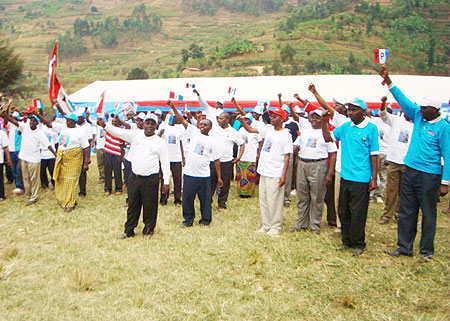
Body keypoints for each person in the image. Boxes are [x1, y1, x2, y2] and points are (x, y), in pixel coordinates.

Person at [380, 67, 449, 262]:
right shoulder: (419, 116)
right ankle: (404, 247)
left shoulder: (444, 128)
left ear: (434, 110)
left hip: (430, 175)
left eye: (425, 107)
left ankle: (426, 251)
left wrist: (445, 182)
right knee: (407, 211)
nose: (420, 109)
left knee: (428, 213)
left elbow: (448, 155)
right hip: (410, 170)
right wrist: (388, 80)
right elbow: (403, 100)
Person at [321, 97, 379, 256]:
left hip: (361, 177)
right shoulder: (346, 127)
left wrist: (374, 178)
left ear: (363, 111)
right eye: (349, 110)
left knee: (358, 212)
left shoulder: (371, 128)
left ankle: (358, 243)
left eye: (354, 110)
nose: (350, 113)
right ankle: (346, 241)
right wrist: (324, 122)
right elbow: (328, 138)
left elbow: (374, 155)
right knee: (343, 211)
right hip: (345, 175)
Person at [98, 113, 170, 238]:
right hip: (135, 177)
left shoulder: (160, 142)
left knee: (150, 206)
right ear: (143, 124)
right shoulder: (135, 135)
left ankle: (148, 230)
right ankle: (129, 230)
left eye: (152, 124)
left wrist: (166, 182)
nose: (149, 126)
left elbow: (165, 163)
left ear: (156, 126)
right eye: (147, 123)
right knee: (132, 205)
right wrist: (105, 125)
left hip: (151, 179)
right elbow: (119, 132)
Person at [238, 108, 293, 236]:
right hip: (264, 170)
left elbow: (287, 157)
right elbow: (251, 130)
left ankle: (276, 226)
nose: (271, 118)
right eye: (271, 116)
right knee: (263, 199)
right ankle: (266, 224)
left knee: (274, 200)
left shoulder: (286, 134)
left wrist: (283, 176)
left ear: (282, 118)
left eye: (275, 116)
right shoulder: (268, 129)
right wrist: (242, 121)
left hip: (275, 172)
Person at [168, 100, 223, 227]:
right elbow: (181, 119)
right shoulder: (193, 132)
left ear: (210, 127)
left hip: (204, 175)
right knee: (187, 199)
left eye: (205, 124)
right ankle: (188, 220)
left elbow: (216, 160)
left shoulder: (213, 141)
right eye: (201, 124)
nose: (202, 126)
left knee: (205, 199)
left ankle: (205, 220)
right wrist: (173, 107)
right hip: (189, 174)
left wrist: (219, 177)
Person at [292, 105, 337, 233]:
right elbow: (295, 146)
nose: (314, 119)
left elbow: (333, 154)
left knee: (317, 197)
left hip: (319, 165)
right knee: (302, 196)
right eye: (312, 116)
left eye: (318, 117)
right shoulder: (305, 131)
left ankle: (314, 225)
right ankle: (301, 224)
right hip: (302, 163)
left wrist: (330, 173)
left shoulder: (326, 132)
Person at [1, 110, 56, 205]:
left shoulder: (40, 133)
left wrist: (56, 155)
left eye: (34, 121)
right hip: (24, 157)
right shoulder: (25, 127)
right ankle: (28, 195)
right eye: (31, 120)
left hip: (34, 159)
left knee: (34, 179)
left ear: (37, 123)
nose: (32, 122)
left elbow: (48, 145)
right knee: (25, 179)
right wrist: (6, 116)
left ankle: (34, 197)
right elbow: (14, 122)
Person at [378, 96, 413, 224]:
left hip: (408, 163)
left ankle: (399, 214)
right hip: (393, 161)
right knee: (391, 190)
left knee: (404, 191)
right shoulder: (396, 120)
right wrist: (383, 103)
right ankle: (387, 214)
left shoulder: (416, 125)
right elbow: (382, 114)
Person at [209, 111, 244, 211]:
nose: (218, 120)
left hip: (226, 162)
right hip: (213, 161)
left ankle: (222, 204)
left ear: (227, 120)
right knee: (211, 183)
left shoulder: (233, 132)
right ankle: (208, 203)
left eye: (220, 118)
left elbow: (241, 144)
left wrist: (239, 157)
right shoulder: (214, 130)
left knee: (224, 184)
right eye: (218, 118)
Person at [158, 113, 185, 205]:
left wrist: (183, 157)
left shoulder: (179, 128)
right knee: (164, 179)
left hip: (176, 158)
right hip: (165, 157)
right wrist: (159, 134)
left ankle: (177, 199)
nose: (178, 119)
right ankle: (163, 198)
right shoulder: (163, 126)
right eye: (175, 118)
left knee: (177, 180)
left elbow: (180, 143)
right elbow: (157, 139)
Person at [236, 113, 262, 197]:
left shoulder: (254, 131)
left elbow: (260, 141)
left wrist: (258, 154)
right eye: (245, 119)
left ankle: (249, 193)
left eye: (247, 119)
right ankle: (241, 192)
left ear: (251, 121)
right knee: (240, 175)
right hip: (241, 156)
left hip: (251, 156)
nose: (245, 121)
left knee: (250, 176)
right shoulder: (240, 130)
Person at [104, 117, 125, 195]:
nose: (114, 122)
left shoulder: (121, 131)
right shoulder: (108, 129)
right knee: (107, 171)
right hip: (108, 152)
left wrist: (121, 155)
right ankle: (107, 189)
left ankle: (118, 188)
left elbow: (122, 144)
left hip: (116, 153)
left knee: (117, 171)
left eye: (115, 121)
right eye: (113, 121)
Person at [0, 127, 11, 201]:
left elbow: (6, 147)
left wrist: (8, 158)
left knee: (0, 179)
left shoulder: (2, 134)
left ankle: (1, 195)